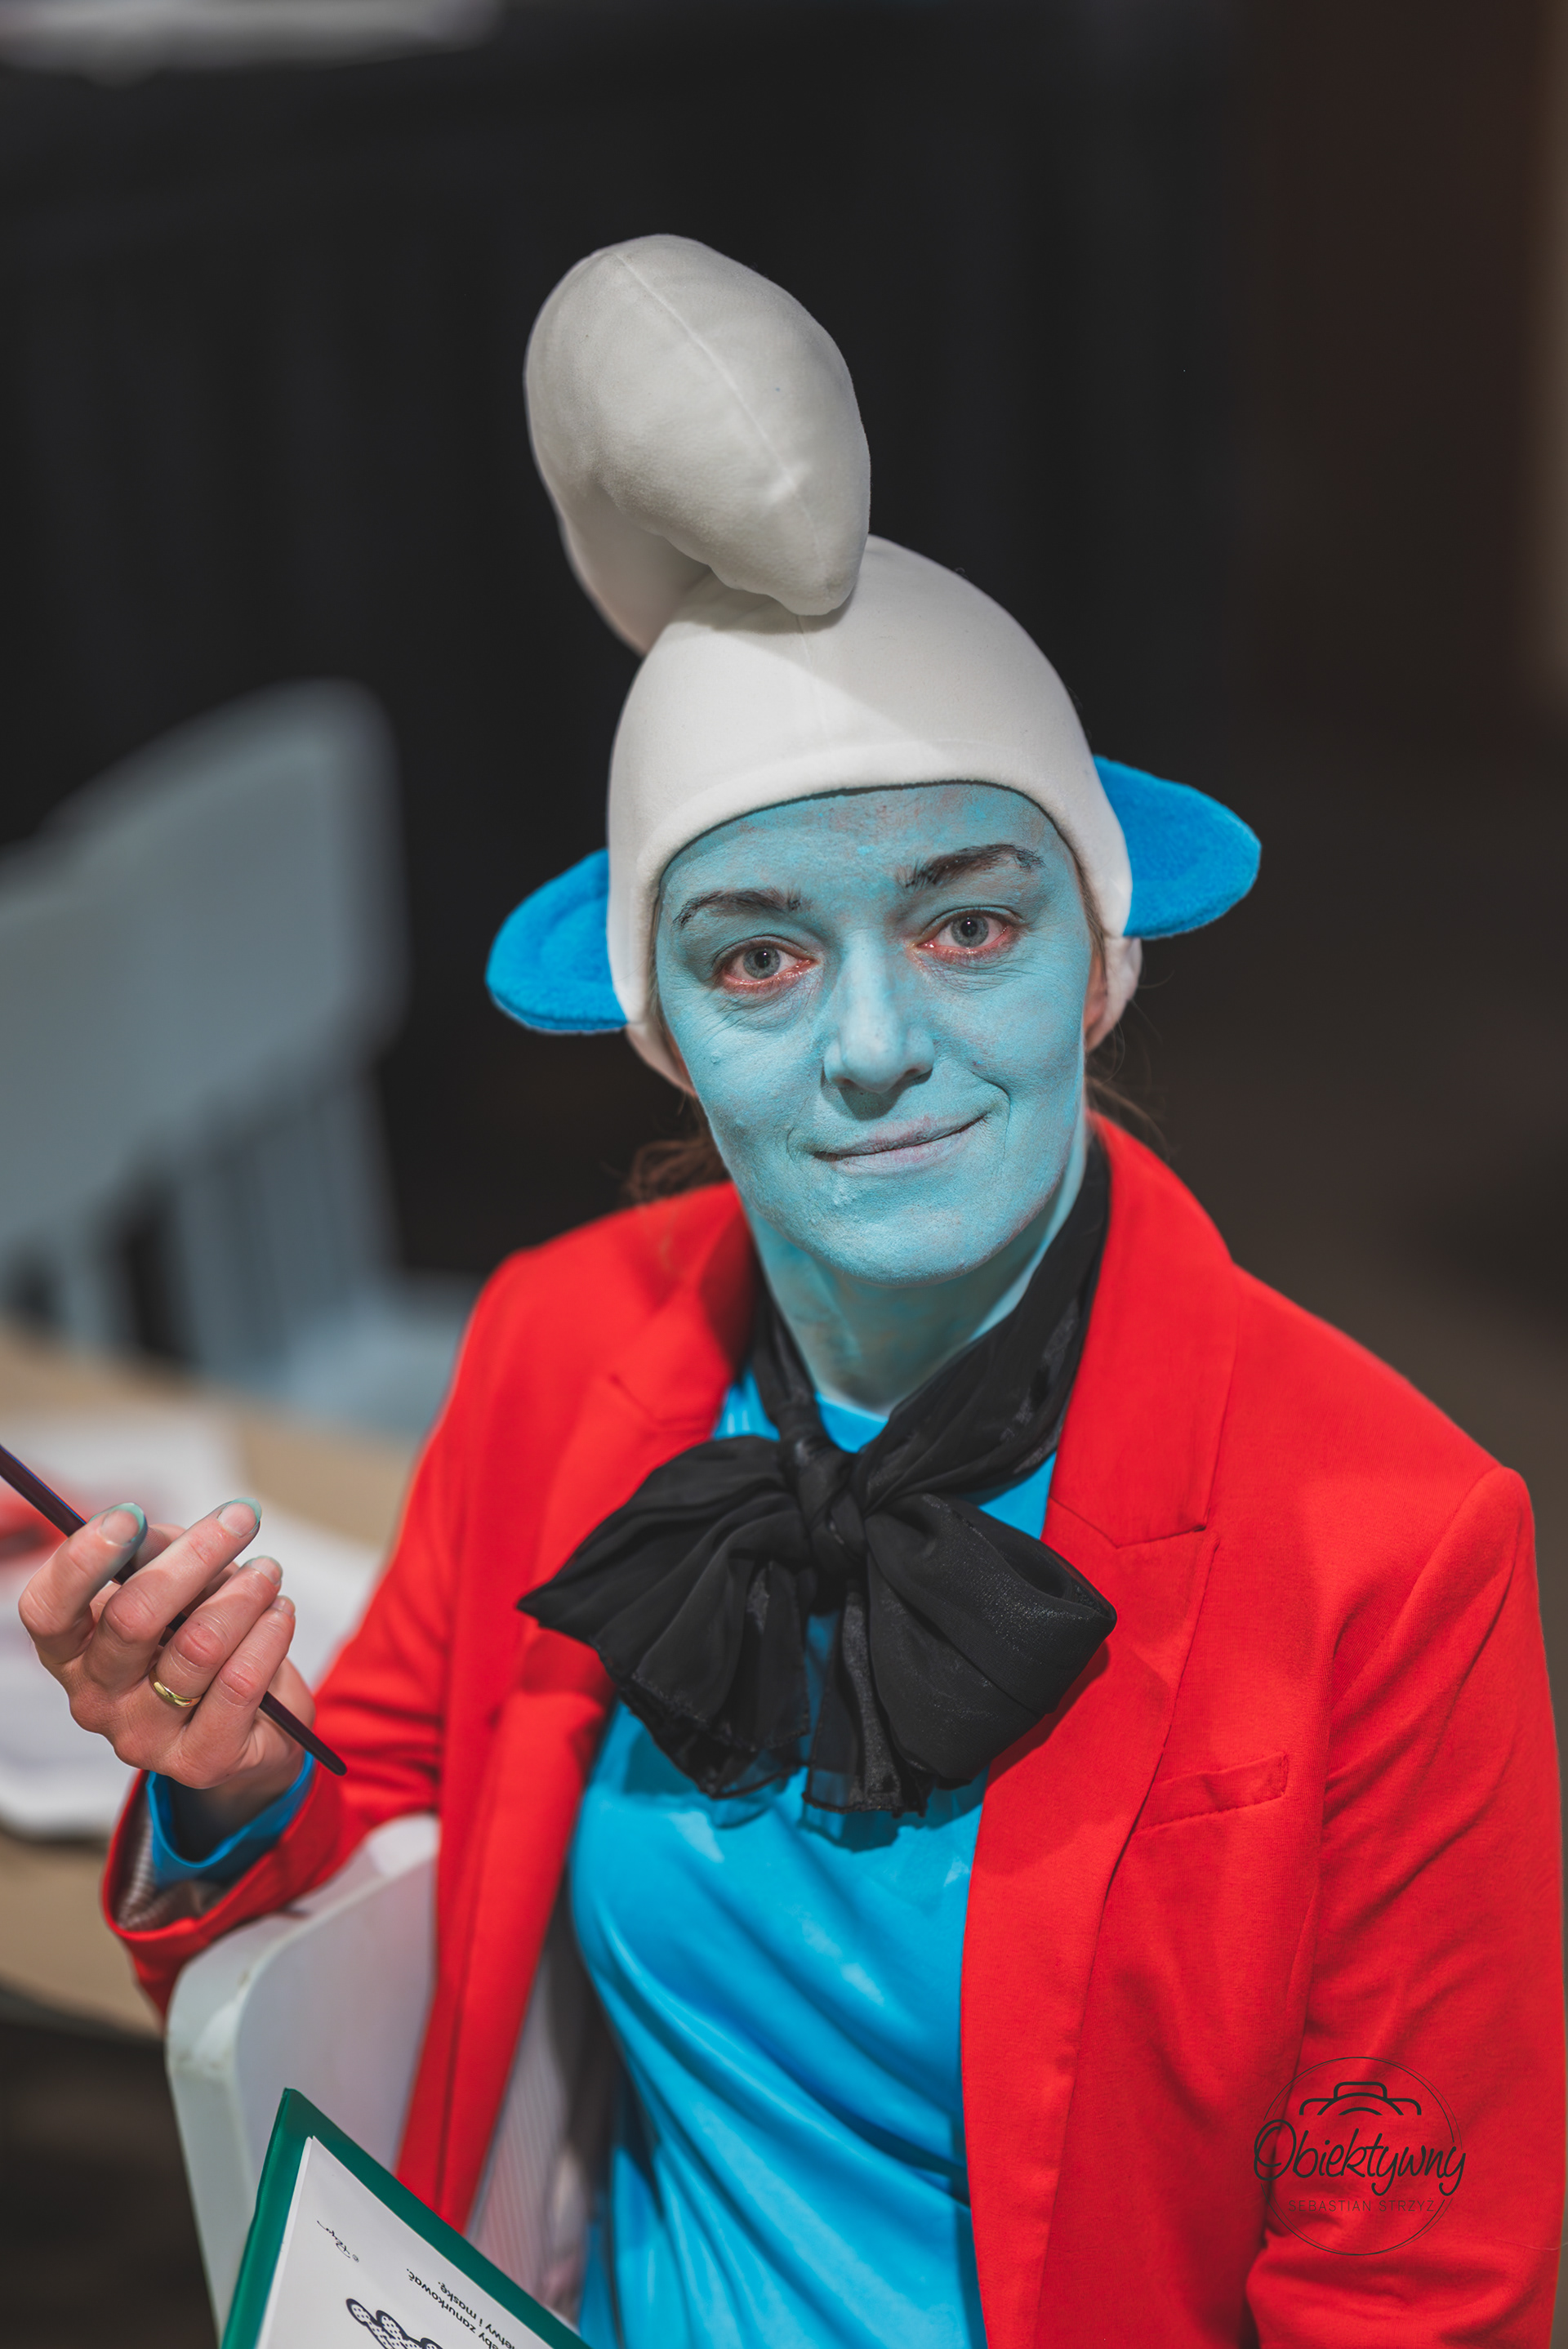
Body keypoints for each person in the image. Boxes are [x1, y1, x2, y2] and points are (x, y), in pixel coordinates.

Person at [20, 238, 1563, 2348]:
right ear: (662, 1030)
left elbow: (1414, 2293)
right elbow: (372, 1845)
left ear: (1101, 960)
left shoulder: (1401, 1545)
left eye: (967, 925)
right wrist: (221, 1762)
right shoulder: (562, 1340)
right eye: (759, 956)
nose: (872, 1048)